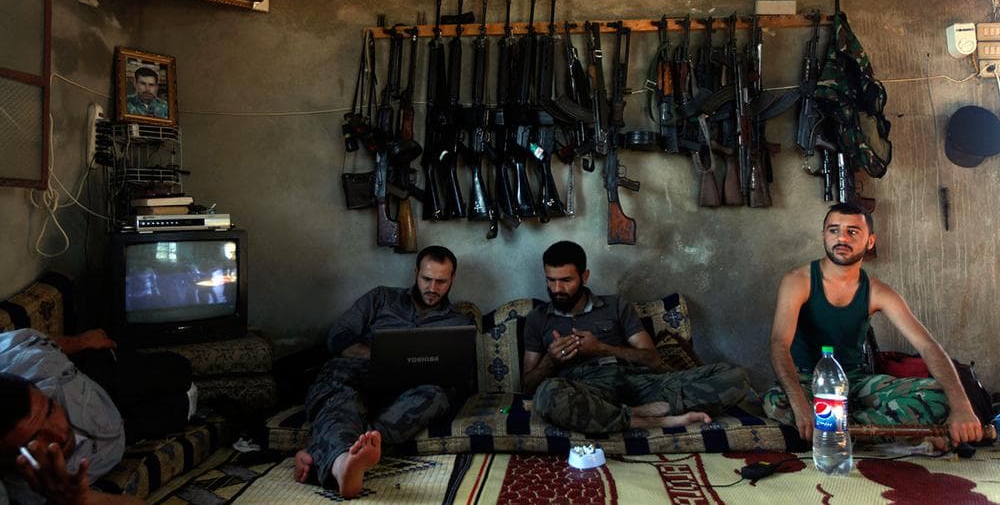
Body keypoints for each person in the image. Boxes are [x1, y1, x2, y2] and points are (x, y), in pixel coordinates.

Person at [764, 202, 984, 447]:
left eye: (853, 232)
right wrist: (800, 404)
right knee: (777, 403)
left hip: (855, 383)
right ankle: (885, 431)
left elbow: (927, 346)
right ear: (823, 235)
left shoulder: (877, 291)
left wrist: (962, 407)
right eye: (834, 230)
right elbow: (779, 344)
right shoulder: (798, 281)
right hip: (807, 382)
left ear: (870, 241)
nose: (841, 238)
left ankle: (835, 429)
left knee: (939, 395)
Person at [292, 246, 472, 498]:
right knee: (336, 380)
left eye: (441, 281)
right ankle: (344, 461)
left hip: (411, 392)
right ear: (415, 273)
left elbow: (461, 379)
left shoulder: (459, 323)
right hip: (360, 377)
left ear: (453, 279)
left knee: (437, 397)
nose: (433, 288)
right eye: (427, 279)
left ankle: (335, 456)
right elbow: (338, 336)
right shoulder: (381, 298)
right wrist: (376, 356)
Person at [521, 241, 752, 434]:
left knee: (735, 376)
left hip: (637, 382)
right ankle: (651, 418)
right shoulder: (538, 319)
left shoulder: (616, 306)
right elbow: (527, 385)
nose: (557, 288)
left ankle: (628, 411)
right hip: (586, 389)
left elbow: (652, 359)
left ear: (585, 276)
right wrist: (551, 360)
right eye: (551, 280)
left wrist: (602, 348)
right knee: (548, 394)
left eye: (566, 280)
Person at [0, 328, 191, 504]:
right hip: (116, 434)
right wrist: (80, 500)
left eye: (49, 410)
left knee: (178, 368)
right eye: (34, 439)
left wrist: (81, 341)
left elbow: (30, 339)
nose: (59, 434)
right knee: (177, 409)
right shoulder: (24, 493)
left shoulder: (26, 358)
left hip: (88, 382)